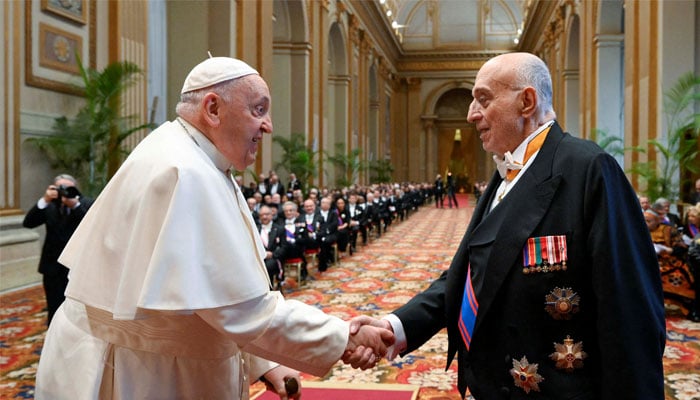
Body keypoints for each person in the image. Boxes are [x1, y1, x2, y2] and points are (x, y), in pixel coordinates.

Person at [34, 57, 393, 400]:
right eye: (259, 110)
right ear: (213, 109)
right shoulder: (186, 171)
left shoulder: (196, 158)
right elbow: (241, 310)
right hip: (137, 371)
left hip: (155, 360)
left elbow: (206, 299)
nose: (268, 126)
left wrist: (263, 364)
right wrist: (343, 337)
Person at [348, 52, 665, 399]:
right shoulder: (504, 176)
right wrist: (395, 326)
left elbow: (631, 315)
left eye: (483, 99)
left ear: (526, 102)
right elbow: (474, 275)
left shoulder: (589, 169)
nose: (471, 114)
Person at [22, 174, 93, 325]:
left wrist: (75, 206)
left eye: (68, 188)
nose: (64, 191)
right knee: (54, 308)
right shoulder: (50, 205)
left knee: (77, 309)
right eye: (60, 188)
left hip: (76, 267)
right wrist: (45, 200)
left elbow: (93, 226)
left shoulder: (86, 203)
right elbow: (28, 223)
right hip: (52, 267)